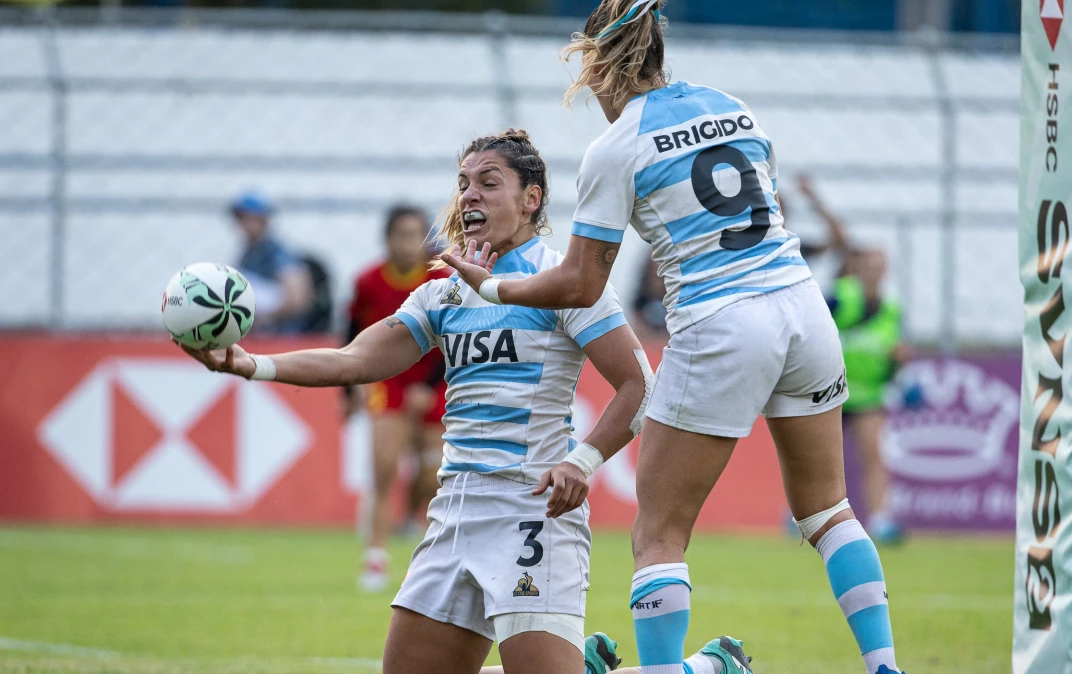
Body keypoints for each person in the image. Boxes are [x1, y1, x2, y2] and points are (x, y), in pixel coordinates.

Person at [439, 3, 903, 673]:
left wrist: (490, 286)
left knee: (658, 535)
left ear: (600, 66)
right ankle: (884, 664)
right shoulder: (733, 108)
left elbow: (579, 282)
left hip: (722, 321)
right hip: (803, 308)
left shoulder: (617, 146)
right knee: (829, 510)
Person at [183, 129, 747, 674]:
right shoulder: (445, 288)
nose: (470, 193)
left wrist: (585, 459)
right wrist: (251, 364)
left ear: (531, 199)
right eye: (463, 182)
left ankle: (701, 670)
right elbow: (355, 359)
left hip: (531, 512)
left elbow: (639, 384)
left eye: (489, 182)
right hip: (454, 513)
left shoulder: (562, 281)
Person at [797, 176, 915, 545]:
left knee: (873, 457)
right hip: (831, 390)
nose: (874, 268)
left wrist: (900, 367)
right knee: (813, 461)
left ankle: (880, 520)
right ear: (858, 266)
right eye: (869, 261)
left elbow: (894, 354)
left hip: (867, 395)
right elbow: (815, 331)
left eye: (881, 263)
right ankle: (798, 516)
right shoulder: (840, 298)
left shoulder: (892, 310)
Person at [347, 205, 452, 592]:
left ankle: (410, 517)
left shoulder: (441, 279)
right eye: (400, 235)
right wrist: (349, 386)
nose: (407, 244)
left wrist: (427, 386)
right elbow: (353, 329)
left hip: (430, 383)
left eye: (414, 235)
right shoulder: (369, 281)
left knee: (431, 472)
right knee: (384, 465)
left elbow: (452, 338)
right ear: (388, 239)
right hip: (387, 382)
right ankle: (375, 557)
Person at [228, 191, 316, 333]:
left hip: (281, 336)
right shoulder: (248, 254)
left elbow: (297, 299)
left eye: (248, 218)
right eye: (240, 218)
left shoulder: (278, 254)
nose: (242, 224)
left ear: (263, 220)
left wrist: (262, 317)